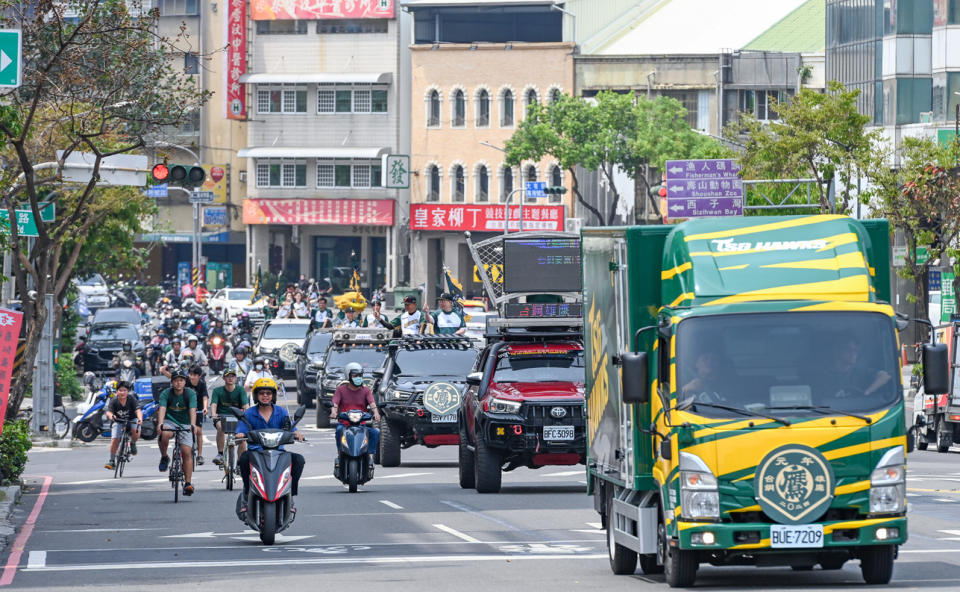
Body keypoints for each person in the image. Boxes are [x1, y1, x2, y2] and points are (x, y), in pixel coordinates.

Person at [236, 378, 305, 512]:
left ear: (273, 396)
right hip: (256, 453)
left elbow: (291, 428)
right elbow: (241, 429)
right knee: (244, 459)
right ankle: (246, 494)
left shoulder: (282, 412)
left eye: (268, 393)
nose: (265, 396)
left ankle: (290, 495)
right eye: (262, 393)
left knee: (298, 460)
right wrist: (240, 435)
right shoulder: (249, 413)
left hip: (278, 453)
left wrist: (297, 433)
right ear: (256, 396)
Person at [157, 369, 198, 496]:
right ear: (172, 382)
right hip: (170, 422)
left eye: (181, 380)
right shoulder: (166, 393)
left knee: (186, 452)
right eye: (175, 381)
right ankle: (164, 457)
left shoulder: (190, 393)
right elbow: (162, 408)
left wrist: (193, 424)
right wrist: (161, 423)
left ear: (185, 382)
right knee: (164, 434)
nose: (178, 383)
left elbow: (192, 409)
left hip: (185, 423)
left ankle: (188, 483)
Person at [330, 362, 380, 465]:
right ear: (348, 376)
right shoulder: (341, 390)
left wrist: (376, 413)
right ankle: (340, 453)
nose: (358, 378)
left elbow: (372, 403)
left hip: (361, 424)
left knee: (375, 432)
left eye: (360, 376)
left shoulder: (366, 390)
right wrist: (334, 412)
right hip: (344, 423)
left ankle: (369, 455)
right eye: (355, 376)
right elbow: (335, 403)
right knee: (339, 431)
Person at [828, 336, 892, 398]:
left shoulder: (860, 373)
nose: (853, 353)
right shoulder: (824, 375)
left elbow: (885, 376)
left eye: (856, 350)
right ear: (837, 350)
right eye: (848, 349)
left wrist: (867, 392)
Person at [210, 368, 250, 465]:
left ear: (236, 378)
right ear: (224, 378)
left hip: (238, 418)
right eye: (228, 376)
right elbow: (214, 404)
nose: (230, 378)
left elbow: (246, 405)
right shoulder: (217, 391)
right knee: (220, 427)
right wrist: (214, 414)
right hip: (221, 417)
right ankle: (220, 454)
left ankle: (240, 462)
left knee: (242, 440)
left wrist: (248, 414)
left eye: (232, 376)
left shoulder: (240, 390)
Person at [104, 381, 143, 470]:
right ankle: (112, 460)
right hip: (118, 421)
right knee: (115, 439)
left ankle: (132, 443)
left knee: (136, 432)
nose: (122, 392)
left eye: (124, 390)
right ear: (117, 391)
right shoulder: (114, 400)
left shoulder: (132, 399)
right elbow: (109, 412)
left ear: (127, 391)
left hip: (132, 420)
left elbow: (138, 410)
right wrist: (112, 416)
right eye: (120, 390)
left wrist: (140, 419)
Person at [187, 365, 209, 465]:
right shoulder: (185, 382)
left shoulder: (202, 384)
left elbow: (205, 397)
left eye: (195, 375)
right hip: (186, 408)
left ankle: (199, 455)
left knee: (198, 431)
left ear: (199, 376)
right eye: (191, 374)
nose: (192, 377)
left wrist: (205, 408)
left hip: (198, 408)